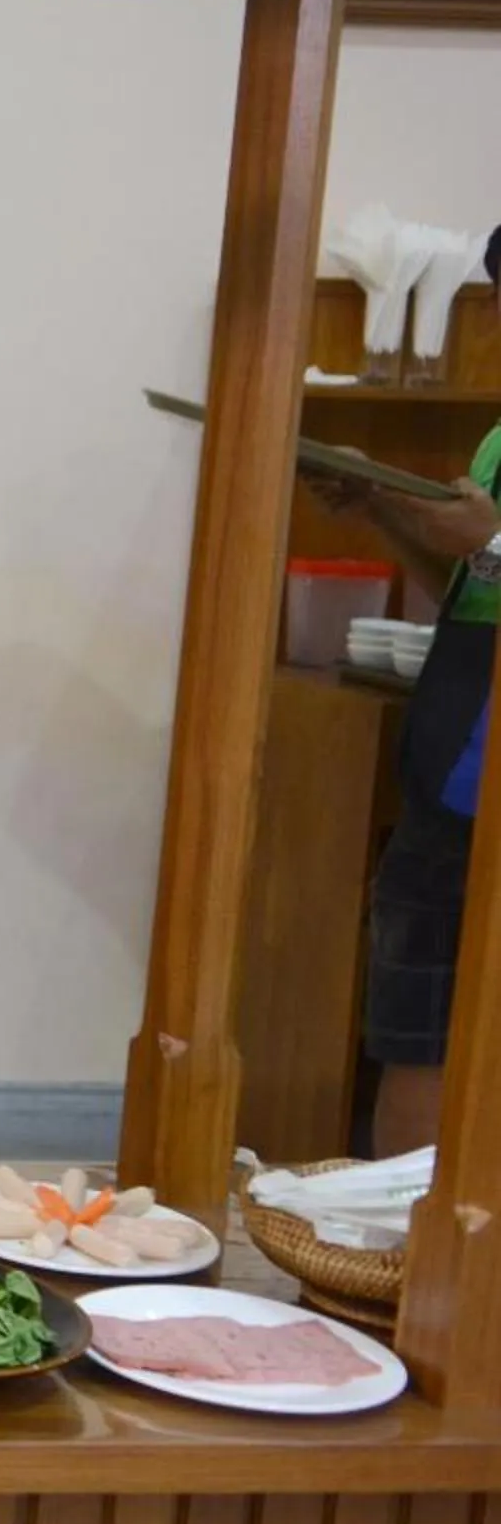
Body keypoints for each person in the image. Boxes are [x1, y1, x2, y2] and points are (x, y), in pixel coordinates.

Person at [305, 230, 501, 1153]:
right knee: (412, 1023)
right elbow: (471, 592)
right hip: (445, 767)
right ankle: (384, 1258)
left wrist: (489, 543)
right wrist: (381, 506)